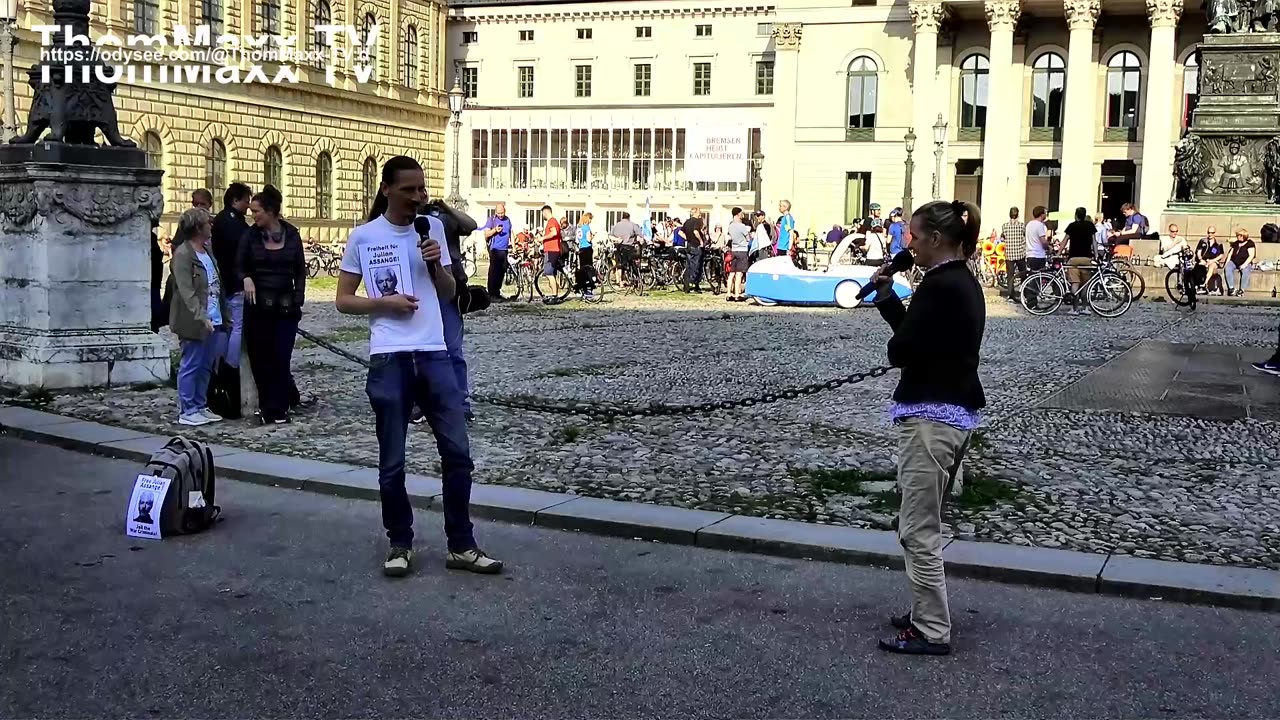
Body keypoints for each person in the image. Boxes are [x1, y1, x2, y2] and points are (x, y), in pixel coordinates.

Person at [336, 155, 502, 578]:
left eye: (421, 189)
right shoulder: (364, 237)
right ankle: (399, 542)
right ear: (387, 189)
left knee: (458, 455)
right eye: (408, 190)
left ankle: (461, 545)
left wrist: (434, 264)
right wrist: (383, 303)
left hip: (434, 353)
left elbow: (449, 292)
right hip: (389, 356)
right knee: (392, 461)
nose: (417, 198)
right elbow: (343, 299)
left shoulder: (432, 233)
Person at [867, 199, 985, 657]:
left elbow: (903, 351)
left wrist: (892, 303)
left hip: (932, 416)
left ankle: (932, 629)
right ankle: (924, 611)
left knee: (917, 529)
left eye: (914, 236)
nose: (908, 243)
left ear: (936, 239)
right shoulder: (958, 281)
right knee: (921, 521)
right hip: (950, 412)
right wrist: (888, 299)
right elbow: (920, 341)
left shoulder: (940, 286)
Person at [237, 185, 307, 426]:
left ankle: (279, 406)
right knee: (261, 358)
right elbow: (239, 264)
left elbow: (300, 271)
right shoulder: (250, 236)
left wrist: (298, 299)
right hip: (258, 307)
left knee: (280, 357)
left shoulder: (292, 235)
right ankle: (270, 408)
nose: (253, 215)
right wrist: (245, 278)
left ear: (270, 211)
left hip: (286, 307)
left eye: (256, 211)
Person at [168, 206, 227, 427]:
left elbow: (215, 284)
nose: (211, 225)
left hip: (214, 315)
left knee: (206, 365)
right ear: (197, 228)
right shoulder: (183, 254)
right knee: (191, 363)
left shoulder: (207, 250)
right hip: (193, 320)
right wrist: (201, 316)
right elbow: (186, 292)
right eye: (207, 223)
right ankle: (187, 409)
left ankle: (200, 405)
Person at [1063, 207, 1098, 315]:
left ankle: (1074, 309)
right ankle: (1085, 307)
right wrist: (1096, 255)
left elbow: (1065, 241)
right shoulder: (1090, 226)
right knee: (1085, 284)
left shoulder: (1072, 226)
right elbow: (1094, 242)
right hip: (1086, 258)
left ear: (1076, 215)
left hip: (1073, 258)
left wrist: (1058, 253)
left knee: (1075, 283)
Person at [482, 203, 512, 300]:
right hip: (495, 249)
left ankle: (497, 292)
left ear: (505, 211)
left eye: (502, 213)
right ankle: (492, 294)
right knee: (494, 271)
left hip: (504, 249)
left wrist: (514, 246)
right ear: (495, 212)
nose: (500, 215)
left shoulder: (507, 220)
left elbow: (511, 233)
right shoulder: (492, 220)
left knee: (502, 271)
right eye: (498, 213)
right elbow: (486, 234)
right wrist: (495, 230)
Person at [1000, 207, 1026, 303]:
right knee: (1023, 273)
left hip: (1009, 253)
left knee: (1010, 275)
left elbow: (1003, 236)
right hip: (1020, 253)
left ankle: (1011, 295)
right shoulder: (1022, 226)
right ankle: (1024, 292)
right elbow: (1024, 235)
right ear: (1018, 215)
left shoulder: (1004, 226)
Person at [726, 207, 752, 302]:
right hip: (742, 249)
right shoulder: (742, 226)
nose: (743, 215)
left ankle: (728, 293)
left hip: (734, 250)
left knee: (732, 273)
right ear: (737, 214)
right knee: (739, 273)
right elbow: (748, 238)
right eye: (741, 214)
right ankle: (737, 294)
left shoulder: (730, 226)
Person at [609, 211, 642, 284]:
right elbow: (640, 234)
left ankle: (619, 281)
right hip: (629, 247)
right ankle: (636, 278)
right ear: (629, 217)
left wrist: (617, 239)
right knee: (632, 263)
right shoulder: (632, 225)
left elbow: (610, 236)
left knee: (619, 264)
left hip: (619, 247)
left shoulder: (616, 225)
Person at [539, 205, 563, 301]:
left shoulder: (552, 221)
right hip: (552, 249)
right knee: (552, 273)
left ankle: (554, 295)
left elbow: (554, 233)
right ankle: (555, 293)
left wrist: (542, 238)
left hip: (551, 250)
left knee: (549, 273)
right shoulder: (553, 221)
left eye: (543, 214)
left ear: (545, 212)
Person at [1225, 228, 1257, 297]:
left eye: (1239, 235)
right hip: (1234, 261)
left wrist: (1244, 265)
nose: (1238, 237)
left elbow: (1251, 255)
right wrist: (1226, 263)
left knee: (1245, 271)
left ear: (1244, 236)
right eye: (1237, 235)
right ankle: (1231, 288)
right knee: (1228, 268)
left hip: (1245, 262)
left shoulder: (1250, 243)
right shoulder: (1236, 243)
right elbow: (1230, 254)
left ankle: (1241, 290)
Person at [1195, 227, 1227, 295]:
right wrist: (1201, 259)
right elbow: (1198, 252)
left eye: (1212, 233)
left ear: (1215, 233)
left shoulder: (1218, 244)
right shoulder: (1203, 241)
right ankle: (1199, 284)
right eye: (1209, 233)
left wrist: (1212, 260)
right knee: (1200, 266)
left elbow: (1221, 255)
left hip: (1213, 262)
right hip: (1204, 260)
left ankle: (1204, 284)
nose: (1210, 234)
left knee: (1212, 266)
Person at [683, 208, 707, 292]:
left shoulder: (687, 222)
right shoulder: (697, 221)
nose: (700, 214)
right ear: (695, 213)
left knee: (689, 265)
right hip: (696, 245)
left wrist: (688, 238)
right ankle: (694, 284)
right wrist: (701, 241)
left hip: (689, 245)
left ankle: (687, 285)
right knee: (697, 265)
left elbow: (680, 232)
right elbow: (695, 231)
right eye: (699, 212)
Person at [575, 211, 596, 299]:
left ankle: (581, 287)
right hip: (587, 249)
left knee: (582, 269)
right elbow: (588, 239)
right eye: (590, 219)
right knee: (588, 269)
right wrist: (592, 236)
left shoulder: (579, 228)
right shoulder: (587, 228)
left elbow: (578, 239)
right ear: (588, 219)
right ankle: (588, 287)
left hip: (581, 249)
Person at [1024, 206, 1051, 272]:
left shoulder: (1029, 224)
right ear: (1041, 215)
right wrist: (1048, 247)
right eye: (1045, 213)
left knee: (1032, 276)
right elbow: (1043, 242)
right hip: (1038, 255)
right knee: (1040, 277)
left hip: (1029, 254)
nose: (1046, 215)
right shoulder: (1040, 225)